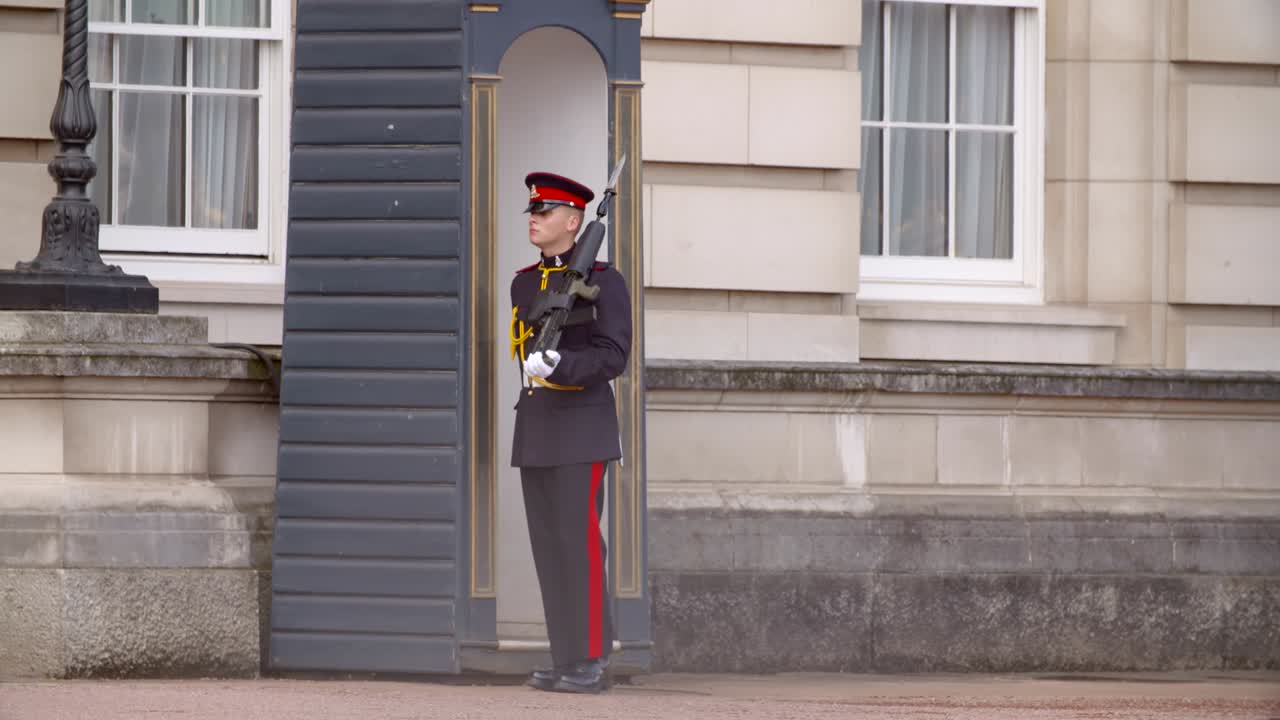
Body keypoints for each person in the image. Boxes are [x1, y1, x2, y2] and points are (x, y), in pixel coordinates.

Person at [508, 170, 632, 694]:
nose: (534, 219)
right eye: (533, 212)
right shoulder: (523, 281)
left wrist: (561, 365)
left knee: (579, 544)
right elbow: (521, 345)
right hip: (536, 426)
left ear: (574, 221)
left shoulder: (606, 280)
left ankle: (591, 659)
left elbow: (613, 355)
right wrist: (535, 365)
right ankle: (566, 656)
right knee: (549, 546)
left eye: (545, 212)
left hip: (582, 430)